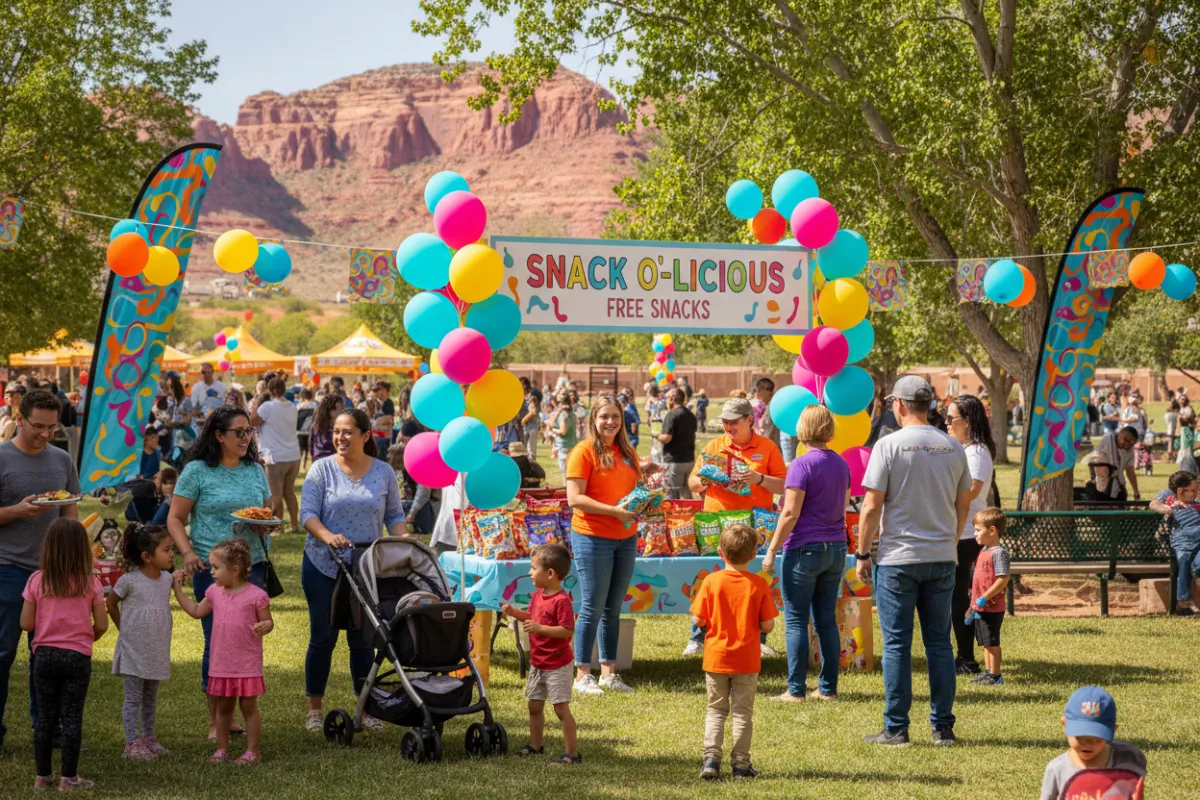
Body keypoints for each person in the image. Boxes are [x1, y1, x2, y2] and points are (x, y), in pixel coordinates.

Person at [856, 376, 971, 747]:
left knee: (897, 645)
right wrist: (950, 543)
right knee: (940, 644)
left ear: (901, 405)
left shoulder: (888, 445)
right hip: (940, 557)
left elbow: (872, 505)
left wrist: (862, 552)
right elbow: (963, 502)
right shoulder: (952, 446)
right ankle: (943, 728)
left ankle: (896, 728)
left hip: (898, 559)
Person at [166, 406, 273, 739]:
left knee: (245, 641)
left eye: (248, 432)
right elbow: (174, 519)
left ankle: (241, 711)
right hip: (210, 568)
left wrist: (265, 526)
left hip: (250, 567)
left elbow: (266, 514)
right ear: (218, 435)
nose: (245, 438)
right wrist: (186, 553)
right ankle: (217, 721)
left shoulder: (255, 469)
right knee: (217, 641)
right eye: (238, 432)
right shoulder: (197, 471)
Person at [300, 408, 407, 732]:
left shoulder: (384, 472)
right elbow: (307, 514)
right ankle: (315, 710)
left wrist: (405, 540)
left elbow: (394, 516)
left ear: (365, 435)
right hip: (323, 565)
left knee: (364, 638)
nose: (340, 437)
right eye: (336, 431)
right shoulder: (321, 470)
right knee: (323, 637)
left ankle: (366, 707)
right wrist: (327, 536)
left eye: (347, 431)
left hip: (365, 567)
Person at [0, 389, 80, 750]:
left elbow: (70, 512)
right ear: (19, 419)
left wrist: (76, 562)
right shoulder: (2, 458)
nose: (46, 434)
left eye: (53, 426)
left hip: (53, 575)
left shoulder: (62, 459)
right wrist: (17, 511)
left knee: (47, 659)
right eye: (38, 426)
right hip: (8, 569)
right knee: (2, 654)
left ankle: (47, 731)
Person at [685, 398, 786, 657]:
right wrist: (705, 480)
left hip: (754, 528)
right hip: (715, 527)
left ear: (749, 420)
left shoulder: (767, 447)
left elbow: (784, 486)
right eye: (724, 422)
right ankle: (698, 636)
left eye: (733, 422)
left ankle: (758, 637)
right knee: (709, 579)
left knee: (754, 582)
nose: (728, 426)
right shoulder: (714, 446)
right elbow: (693, 483)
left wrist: (759, 478)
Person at [761, 405, 849, 702]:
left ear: (803, 429)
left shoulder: (801, 464)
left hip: (804, 548)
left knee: (797, 620)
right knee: (826, 618)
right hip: (836, 547)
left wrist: (771, 549)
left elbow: (789, 513)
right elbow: (843, 506)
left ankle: (795, 690)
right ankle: (827, 689)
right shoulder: (840, 463)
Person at [20, 519, 106, 790]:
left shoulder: (36, 580)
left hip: (44, 656)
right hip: (77, 657)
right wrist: (86, 637)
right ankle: (69, 778)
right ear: (83, 548)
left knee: (45, 717)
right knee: (71, 716)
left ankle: (42, 777)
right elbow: (102, 624)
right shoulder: (91, 582)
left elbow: (26, 623)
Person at [565, 395, 642, 696]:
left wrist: (646, 504)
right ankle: (583, 673)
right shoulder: (583, 452)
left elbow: (633, 492)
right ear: (593, 420)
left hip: (626, 536)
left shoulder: (627, 451)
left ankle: (609, 673)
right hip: (592, 537)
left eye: (616, 417)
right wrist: (613, 512)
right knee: (592, 606)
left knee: (613, 607)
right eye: (604, 417)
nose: (610, 422)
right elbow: (575, 498)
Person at [173, 539, 273, 764]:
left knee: (248, 706)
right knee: (224, 707)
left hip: (246, 663)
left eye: (216, 568)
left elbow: (268, 622)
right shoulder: (214, 592)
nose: (211, 572)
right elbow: (197, 611)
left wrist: (266, 626)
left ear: (235, 570)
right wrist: (177, 590)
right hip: (222, 662)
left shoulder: (256, 595)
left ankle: (253, 751)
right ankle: (221, 749)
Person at [690, 523, 778, 781]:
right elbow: (768, 625)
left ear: (720, 552)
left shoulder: (711, 581)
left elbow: (697, 620)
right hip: (747, 660)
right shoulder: (758, 585)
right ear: (753, 555)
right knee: (742, 713)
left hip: (716, 658)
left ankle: (710, 760)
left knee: (716, 710)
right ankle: (741, 765)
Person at [501, 544, 579, 766]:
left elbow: (566, 630)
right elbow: (533, 616)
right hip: (538, 663)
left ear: (550, 573)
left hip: (557, 664)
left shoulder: (562, 601)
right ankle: (536, 746)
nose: (529, 573)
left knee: (560, 708)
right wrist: (515, 613)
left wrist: (539, 629)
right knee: (534, 706)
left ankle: (571, 753)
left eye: (533, 568)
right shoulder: (537, 595)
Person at [106, 524, 175, 759]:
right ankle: (132, 742)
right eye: (166, 550)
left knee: (150, 696)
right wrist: (122, 628)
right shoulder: (129, 581)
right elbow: (110, 604)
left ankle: (149, 738)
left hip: (156, 648)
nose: (172, 554)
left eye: (172, 549)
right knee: (134, 696)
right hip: (133, 648)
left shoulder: (167, 580)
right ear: (147, 556)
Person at [944, 394, 996, 676]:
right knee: (956, 597)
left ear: (969, 421)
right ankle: (964, 656)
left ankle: (966, 658)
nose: (946, 422)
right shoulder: (962, 449)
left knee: (958, 598)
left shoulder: (976, 452)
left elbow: (973, 490)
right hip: (957, 531)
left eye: (952, 418)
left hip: (965, 535)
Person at [1040, 686, 1146, 800]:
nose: (1088, 744)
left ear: (1113, 730)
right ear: (1064, 724)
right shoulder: (1057, 769)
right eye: (1080, 737)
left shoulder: (1129, 757)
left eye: (1097, 738)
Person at [964, 508, 1010, 685]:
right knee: (984, 642)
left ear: (992, 530)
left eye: (978, 530)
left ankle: (996, 675)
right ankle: (988, 672)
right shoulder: (983, 551)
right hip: (980, 606)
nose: (975, 534)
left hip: (992, 607)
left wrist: (985, 597)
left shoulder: (998, 553)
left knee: (992, 642)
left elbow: (1002, 579)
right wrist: (972, 605)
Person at [251, 378, 301, 533]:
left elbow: (252, 421)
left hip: (275, 456)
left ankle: (270, 526)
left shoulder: (267, 406)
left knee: (275, 496)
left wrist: (256, 404)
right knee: (289, 493)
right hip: (293, 454)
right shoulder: (292, 406)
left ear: (270, 389)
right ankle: (293, 526)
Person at [1150, 470, 1200, 615]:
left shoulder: (1197, 497)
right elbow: (1153, 504)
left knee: (1198, 566)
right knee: (1184, 560)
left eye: (1196, 490)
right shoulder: (1168, 494)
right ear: (1179, 490)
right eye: (1191, 491)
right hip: (1182, 540)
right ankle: (1182, 603)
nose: (1195, 494)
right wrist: (1166, 509)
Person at [656, 388, 697, 500]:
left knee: (671, 492)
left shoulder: (671, 415)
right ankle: (689, 514)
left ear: (672, 399)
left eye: (667, 398)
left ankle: (672, 516)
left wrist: (656, 435)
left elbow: (667, 438)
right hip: (689, 459)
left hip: (674, 460)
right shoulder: (690, 415)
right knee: (686, 491)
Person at [1086, 426, 1140, 502]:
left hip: (1118, 489)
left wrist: (1136, 491)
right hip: (1100, 489)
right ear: (1120, 433)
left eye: (1130, 444)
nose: (1126, 445)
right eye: (1125, 440)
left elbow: (1130, 471)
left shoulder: (1129, 451)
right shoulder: (1108, 439)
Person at [189, 363, 227, 435]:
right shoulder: (196, 388)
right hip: (201, 425)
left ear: (212, 372)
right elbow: (193, 408)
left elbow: (226, 404)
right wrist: (199, 413)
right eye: (203, 372)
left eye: (208, 372)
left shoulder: (221, 387)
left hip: (217, 423)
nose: (206, 374)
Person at [551, 391, 579, 480]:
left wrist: (553, 430)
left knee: (565, 473)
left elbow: (563, 432)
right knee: (572, 471)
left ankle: (568, 491)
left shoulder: (563, 415)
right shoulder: (572, 414)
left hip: (564, 446)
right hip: (573, 444)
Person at [309, 393, 344, 464]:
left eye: (341, 409)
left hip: (336, 462)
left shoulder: (341, 425)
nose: (341, 412)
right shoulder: (317, 426)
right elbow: (311, 445)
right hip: (321, 461)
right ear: (329, 410)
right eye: (338, 409)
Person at [751, 377, 780, 449]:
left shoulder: (773, 406)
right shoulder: (754, 405)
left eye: (772, 389)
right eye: (768, 389)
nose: (771, 392)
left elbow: (763, 425)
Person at [370, 382, 395, 460]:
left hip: (384, 437)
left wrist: (377, 422)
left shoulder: (389, 403)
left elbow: (389, 419)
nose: (378, 392)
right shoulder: (375, 402)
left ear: (386, 390)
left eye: (380, 389)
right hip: (375, 436)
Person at [519, 377, 541, 461]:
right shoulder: (521, 396)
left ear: (525, 385)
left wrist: (523, 420)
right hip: (524, 426)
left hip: (532, 425)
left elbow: (533, 411)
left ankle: (531, 467)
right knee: (522, 449)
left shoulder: (532, 396)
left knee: (531, 450)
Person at [296, 388, 317, 469]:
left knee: (300, 450)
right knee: (309, 450)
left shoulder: (299, 406)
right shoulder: (315, 405)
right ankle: (307, 466)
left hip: (299, 431)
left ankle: (299, 466)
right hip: (311, 431)